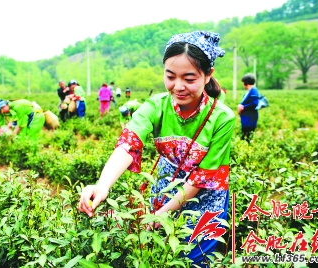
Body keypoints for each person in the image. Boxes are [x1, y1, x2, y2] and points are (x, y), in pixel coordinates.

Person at [78, 31, 235, 266]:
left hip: (205, 195)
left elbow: (200, 178)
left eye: (189, 79)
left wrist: (162, 215)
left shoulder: (223, 118)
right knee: (157, 253)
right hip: (166, 186)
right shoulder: (156, 106)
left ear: (207, 75)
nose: (178, 86)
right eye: (170, 76)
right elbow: (127, 144)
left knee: (195, 258)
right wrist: (102, 185)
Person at [237, 73, 259, 142]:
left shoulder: (254, 90)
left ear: (246, 83)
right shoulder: (250, 91)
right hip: (247, 118)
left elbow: (255, 103)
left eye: (243, 82)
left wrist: (243, 107)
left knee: (247, 137)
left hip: (250, 119)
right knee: (245, 136)